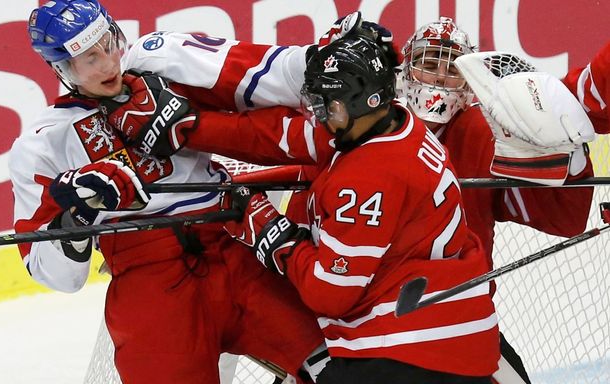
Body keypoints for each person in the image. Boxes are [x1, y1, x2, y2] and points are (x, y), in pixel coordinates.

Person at [139, 33, 501, 383]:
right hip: (450, 335)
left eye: (329, 105)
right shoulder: (402, 127)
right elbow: (295, 145)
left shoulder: (369, 176)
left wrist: (273, 235)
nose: (319, 115)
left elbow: (329, 293)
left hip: (406, 352)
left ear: (365, 102)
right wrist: (209, 139)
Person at [12, 1, 333, 382]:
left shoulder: (160, 61)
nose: (109, 63)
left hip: (233, 246)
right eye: (89, 59)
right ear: (61, 69)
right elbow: (57, 276)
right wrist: (79, 214)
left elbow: (262, 74)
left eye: (109, 42)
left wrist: (320, 62)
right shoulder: (43, 144)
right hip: (151, 287)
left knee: (335, 367)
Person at [397, 17, 596, 383]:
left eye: (450, 69)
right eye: (428, 65)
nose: (440, 79)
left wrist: (570, 155)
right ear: (404, 71)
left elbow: (561, 219)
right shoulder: (375, 133)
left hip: (464, 321)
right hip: (373, 326)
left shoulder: (481, 132)